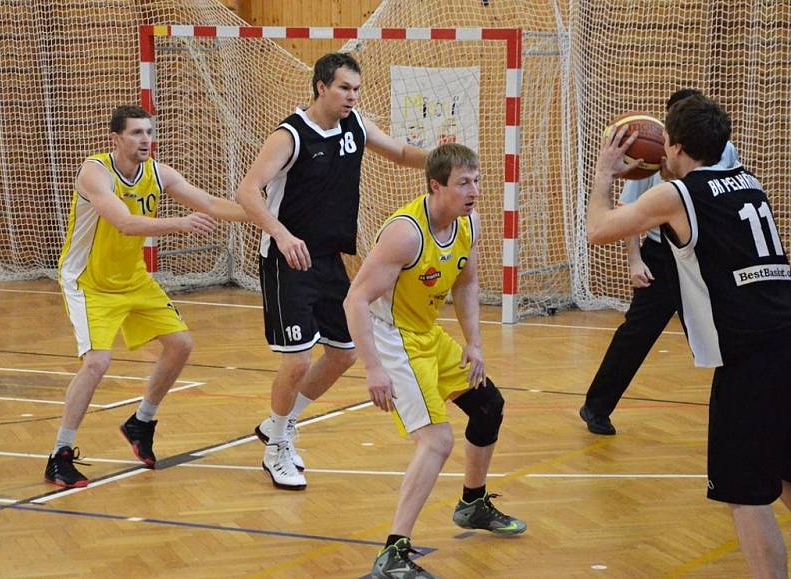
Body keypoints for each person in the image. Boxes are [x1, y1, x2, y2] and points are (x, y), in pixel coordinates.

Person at [588, 94, 791, 577]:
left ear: (674, 148)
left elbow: (598, 231)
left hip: (752, 358)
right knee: (785, 474)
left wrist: (604, 174)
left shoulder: (677, 195)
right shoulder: (750, 183)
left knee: (743, 495)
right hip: (785, 336)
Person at [236, 52, 427, 491]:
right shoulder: (290, 135)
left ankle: (280, 424)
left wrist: (442, 161)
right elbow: (248, 191)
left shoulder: (355, 125)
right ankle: (276, 447)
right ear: (321, 86)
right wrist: (282, 235)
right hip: (287, 259)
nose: (351, 96)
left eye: (356, 89)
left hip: (329, 258)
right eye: (344, 88)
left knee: (344, 353)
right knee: (298, 359)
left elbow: (398, 151)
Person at [344, 144, 526, 579]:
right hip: (393, 340)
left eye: (477, 180)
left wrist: (475, 343)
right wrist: (372, 368)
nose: (474, 190)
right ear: (436, 185)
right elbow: (356, 299)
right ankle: (393, 553)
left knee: (488, 406)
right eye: (464, 183)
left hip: (427, 334)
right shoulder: (405, 233)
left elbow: (467, 281)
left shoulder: (468, 224)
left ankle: (473, 504)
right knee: (437, 441)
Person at [45, 105, 248, 488]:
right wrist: (178, 224)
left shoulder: (159, 173)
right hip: (89, 282)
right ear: (115, 139)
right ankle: (60, 454)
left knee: (181, 345)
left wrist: (264, 215)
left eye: (149, 132)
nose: (145, 140)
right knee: (97, 364)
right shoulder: (95, 173)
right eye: (137, 133)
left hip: (133, 279)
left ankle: (141, 422)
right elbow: (124, 223)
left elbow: (209, 204)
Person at [580, 89, 739, 435]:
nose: (665, 135)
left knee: (729, 331)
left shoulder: (723, 152)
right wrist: (635, 261)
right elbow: (628, 215)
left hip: (706, 251)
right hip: (661, 250)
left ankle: (740, 412)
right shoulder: (650, 155)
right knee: (637, 332)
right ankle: (596, 406)